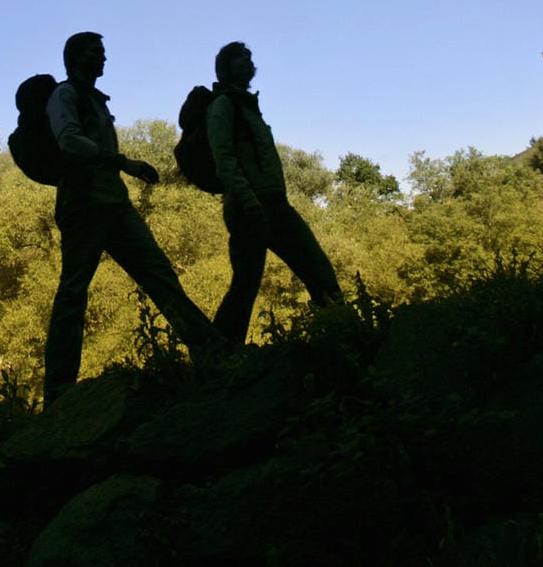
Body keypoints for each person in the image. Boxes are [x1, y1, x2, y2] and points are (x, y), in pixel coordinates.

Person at [43, 31, 226, 403]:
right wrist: (122, 162)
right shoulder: (65, 95)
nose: (104, 58)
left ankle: (209, 349)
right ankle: (59, 389)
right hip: (83, 202)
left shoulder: (91, 99)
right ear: (77, 57)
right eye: (97, 52)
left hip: (112, 202)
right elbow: (69, 140)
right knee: (74, 291)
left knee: (158, 274)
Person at [206, 42, 342, 342]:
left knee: (318, 272)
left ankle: (342, 338)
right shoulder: (224, 106)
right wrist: (247, 199)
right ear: (227, 67)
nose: (249, 61)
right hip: (249, 207)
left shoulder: (248, 107)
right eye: (241, 57)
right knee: (246, 284)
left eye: (250, 56)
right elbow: (223, 156)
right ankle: (220, 356)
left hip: (275, 203)